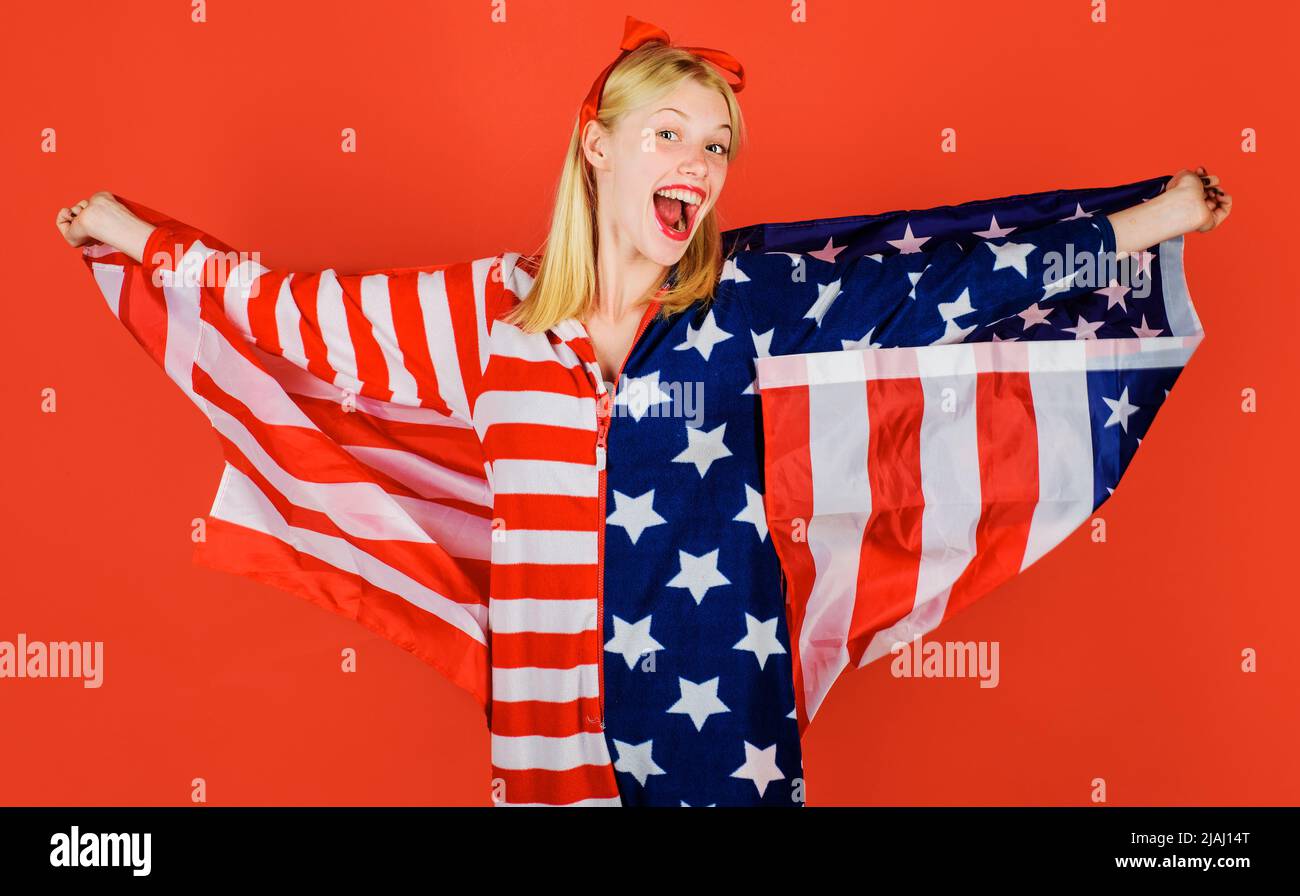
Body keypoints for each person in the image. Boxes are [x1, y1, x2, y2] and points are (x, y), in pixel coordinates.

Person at [57, 16, 1231, 807]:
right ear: (597, 144)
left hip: (728, 746)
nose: (701, 164)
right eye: (671, 135)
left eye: (716, 145)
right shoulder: (481, 319)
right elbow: (292, 312)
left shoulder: (753, 305)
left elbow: (938, 292)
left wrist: (1143, 224)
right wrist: (137, 240)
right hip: (548, 758)